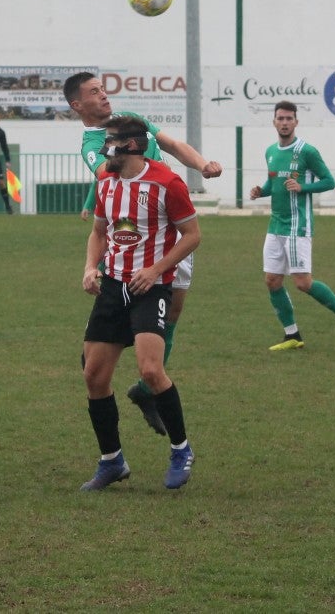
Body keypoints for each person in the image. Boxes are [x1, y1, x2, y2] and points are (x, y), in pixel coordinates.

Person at [63, 71, 221, 438]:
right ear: (77, 105)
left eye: (103, 89)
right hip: (135, 235)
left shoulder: (130, 122)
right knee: (131, 303)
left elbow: (172, 144)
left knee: (172, 313)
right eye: (94, 92)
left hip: (172, 225)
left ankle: (147, 389)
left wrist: (201, 165)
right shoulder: (93, 143)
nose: (104, 95)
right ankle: (103, 351)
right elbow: (109, 173)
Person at [78, 115, 201, 491]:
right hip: (112, 287)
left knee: (150, 370)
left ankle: (181, 450)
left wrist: (156, 269)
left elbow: (192, 235)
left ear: (130, 145)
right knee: (94, 376)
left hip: (151, 288)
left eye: (110, 143)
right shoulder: (106, 180)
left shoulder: (167, 182)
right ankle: (111, 460)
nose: (104, 150)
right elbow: (99, 231)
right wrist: (90, 267)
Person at [248, 101, 335, 351]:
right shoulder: (271, 151)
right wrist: (260, 191)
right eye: (280, 118)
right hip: (275, 225)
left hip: (297, 225)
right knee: (272, 280)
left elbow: (329, 181)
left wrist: (303, 187)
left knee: (302, 282)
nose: (285, 123)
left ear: (296, 122)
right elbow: (273, 183)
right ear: (274, 122)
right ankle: (292, 335)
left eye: (289, 118)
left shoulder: (307, 151)